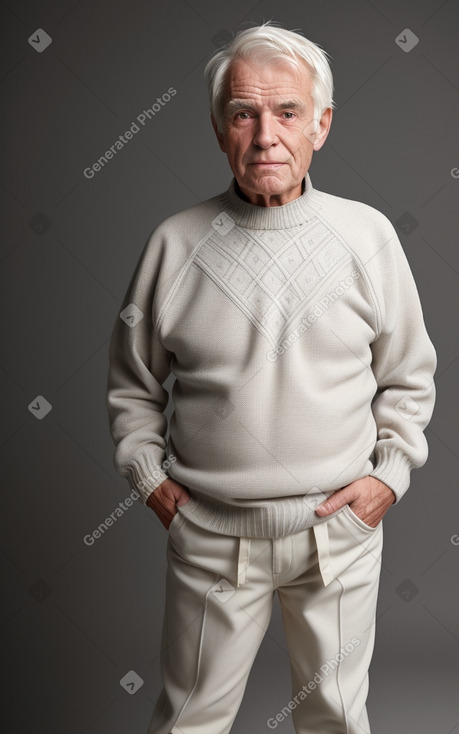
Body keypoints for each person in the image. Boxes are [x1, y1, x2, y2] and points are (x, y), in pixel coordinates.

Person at [106, 20, 437, 734]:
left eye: (286, 112)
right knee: (190, 719)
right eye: (242, 114)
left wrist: (388, 478)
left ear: (320, 123)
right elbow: (132, 388)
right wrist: (149, 481)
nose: (265, 137)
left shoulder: (367, 237)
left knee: (336, 719)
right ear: (218, 127)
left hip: (339, 531)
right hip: (211, 534)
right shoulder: (173, 243)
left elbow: (409, 377)